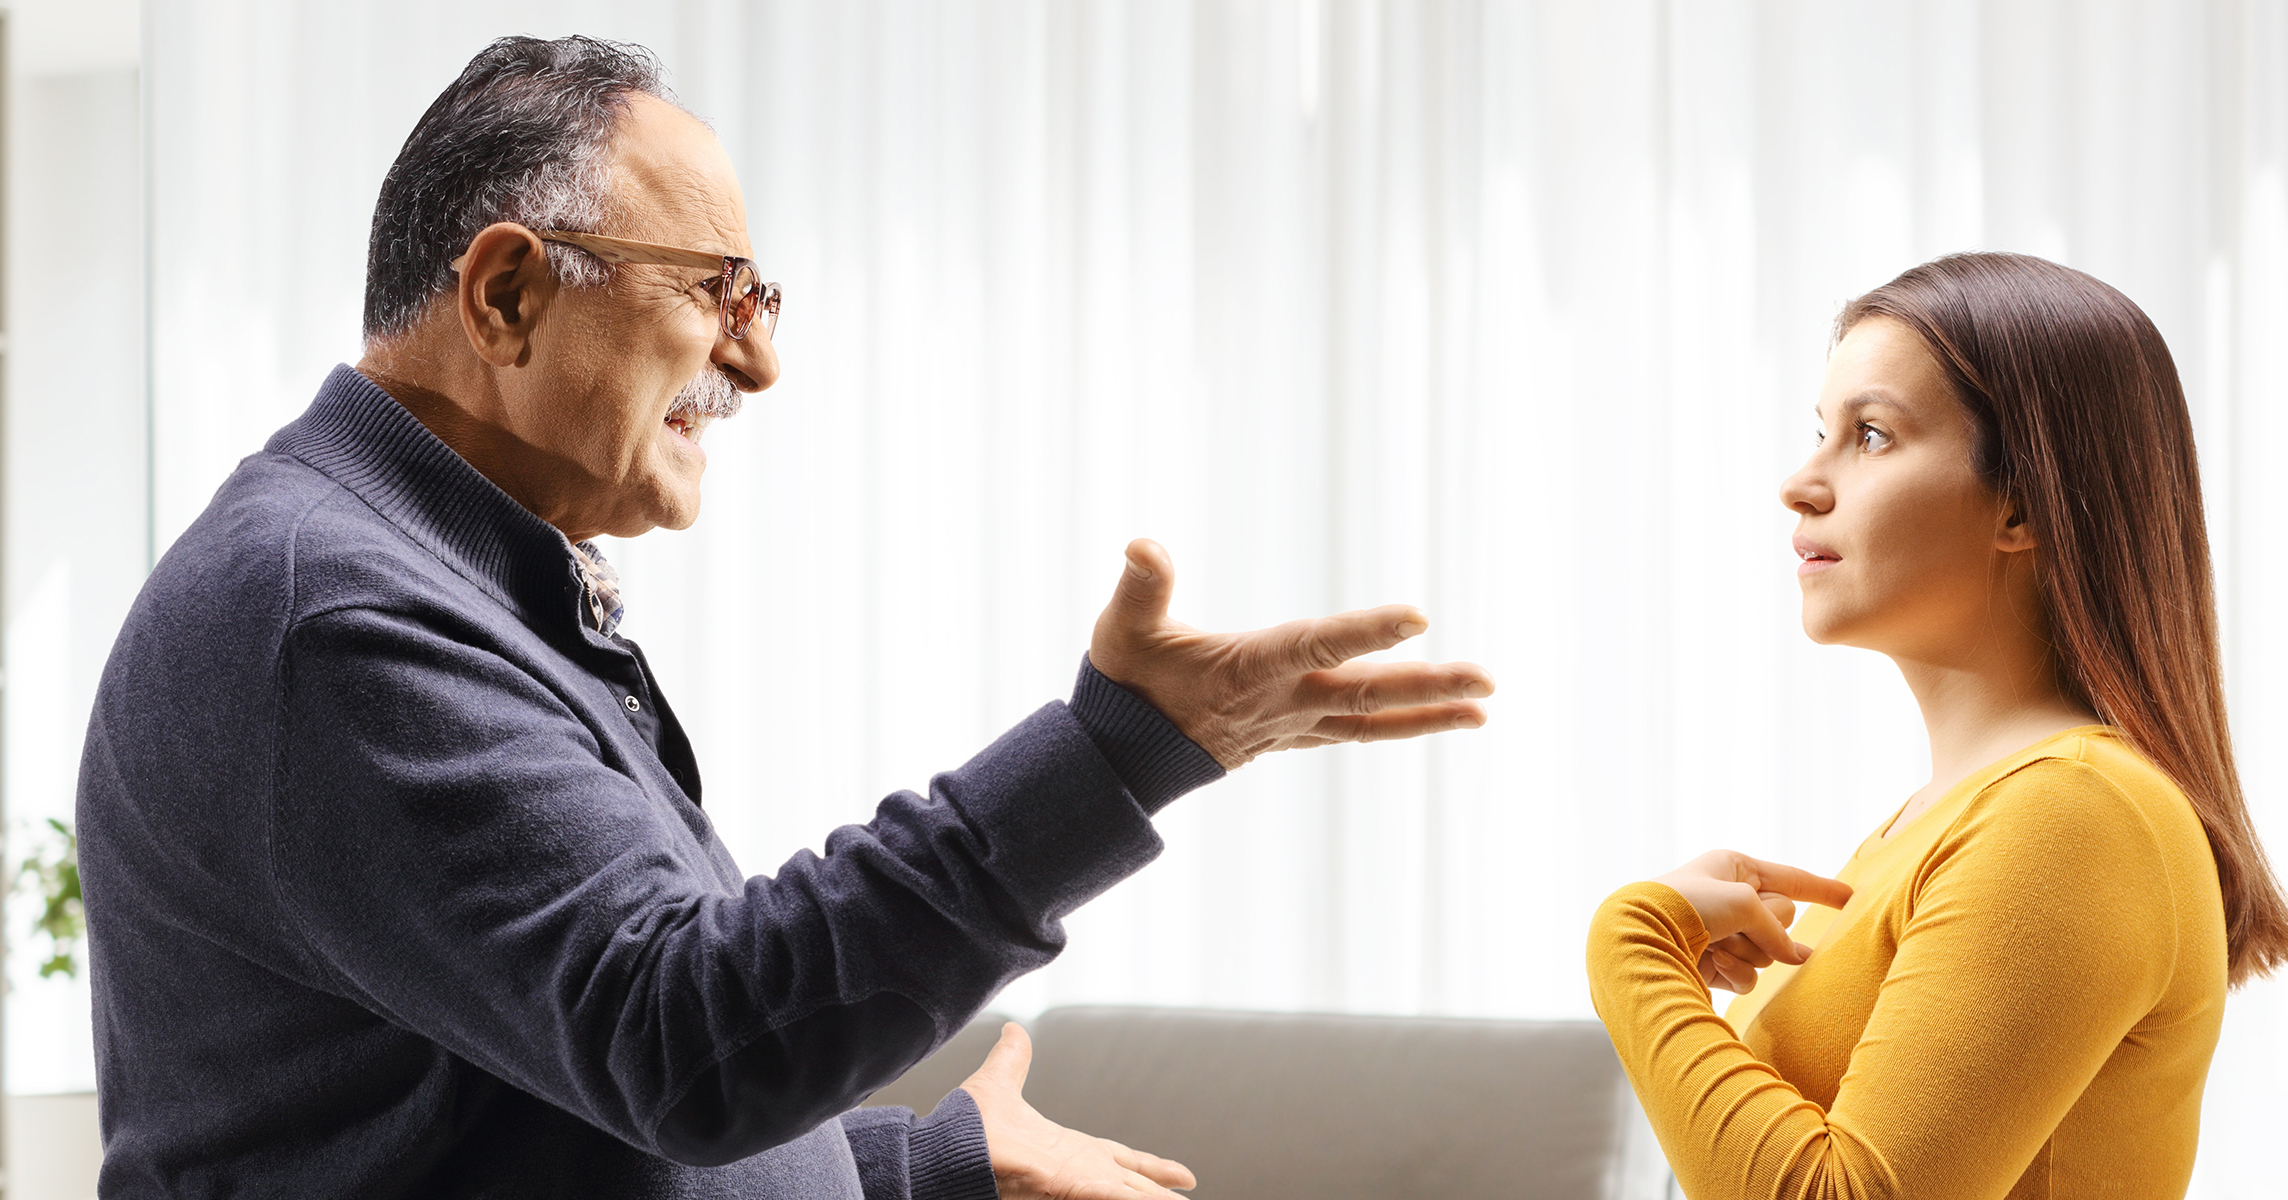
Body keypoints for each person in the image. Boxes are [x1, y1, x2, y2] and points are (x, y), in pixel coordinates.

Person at [76, 36, 1494, 1200]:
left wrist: (910, 1164)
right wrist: (1115, 755)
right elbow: (686, 1042)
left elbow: (554, 1111)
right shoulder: (331, 620)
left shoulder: (412, 578)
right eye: (717, 291)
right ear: (507, 294)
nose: (760, 359)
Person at [1583, 252, 2288, 1197]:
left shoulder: (2075, 813)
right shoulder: (1942, 824)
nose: (1802, 483)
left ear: (2023, 501)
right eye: (1820, 433)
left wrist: (1633, 946)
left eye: (1871, 435)